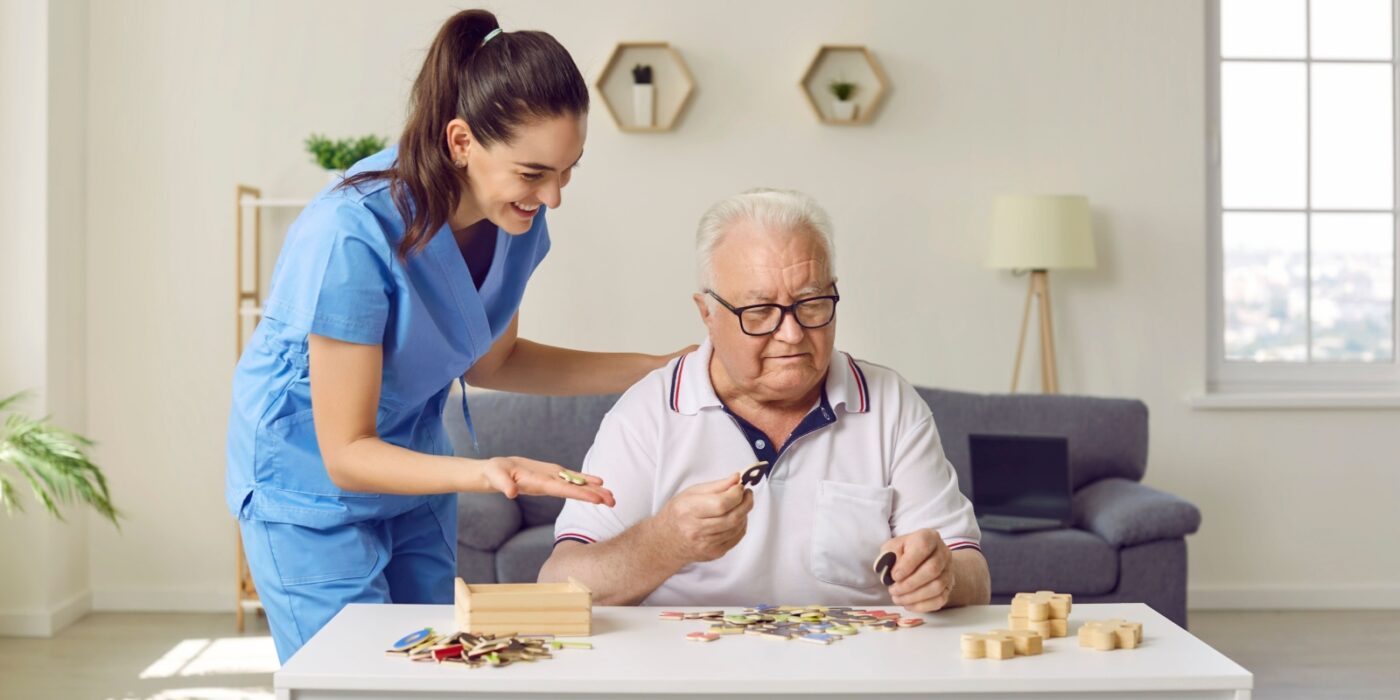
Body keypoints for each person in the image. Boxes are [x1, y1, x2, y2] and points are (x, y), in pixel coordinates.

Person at [226, 9, 689, 662]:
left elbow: (494, 362)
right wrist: (489, 472)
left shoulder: (516, 222)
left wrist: (660, 366)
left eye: (567, 171)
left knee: (432, 667)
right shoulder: (350, 235)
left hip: (411, 465)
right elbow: (346, 451)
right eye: (533, 174)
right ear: (462, 141)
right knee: (356, 676)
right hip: (308, 485)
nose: (553, 198)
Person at [540, 189, 991, 611]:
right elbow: (557, 587)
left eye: (812, 303)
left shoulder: (890, 404)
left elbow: (974, 576)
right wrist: (666, 541)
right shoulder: (648, 412)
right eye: (759, 312)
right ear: (707, 314)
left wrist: (943, 576)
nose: (792, 335)